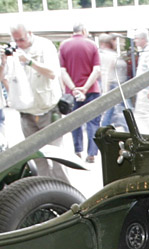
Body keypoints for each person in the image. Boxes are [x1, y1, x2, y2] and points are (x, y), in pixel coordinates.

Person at [0, 23, 66, 179]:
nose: (19, 44)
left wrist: (29, 61)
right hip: (26, 113)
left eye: (22, 39)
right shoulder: (13, 49)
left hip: (48, 109)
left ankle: (66, 195)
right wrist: (3, 62)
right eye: (16, 40)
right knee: (37, 158)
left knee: (57, 157)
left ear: (30, 33)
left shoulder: (44, 46)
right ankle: (46, 194)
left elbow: (53, 73)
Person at [59, 23, 102, 163]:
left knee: (75, 122)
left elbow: (62, 71)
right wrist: (85, 87)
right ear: (84, 31)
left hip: (71, 93)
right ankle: (92, 154)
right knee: (93, 123)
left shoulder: (63, 46)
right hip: (92, 90)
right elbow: (96, 70)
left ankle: (77, 151)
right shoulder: (92, 45)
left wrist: (74, 88)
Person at [97, 33, 128, 132]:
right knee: (118, 109)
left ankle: (103, 128)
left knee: (111, 111)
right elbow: (106, 73)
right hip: (113, 84)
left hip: (111, 84)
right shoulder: (110, 55)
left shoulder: (101, 54)